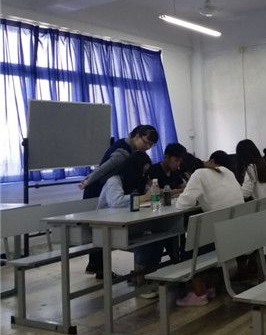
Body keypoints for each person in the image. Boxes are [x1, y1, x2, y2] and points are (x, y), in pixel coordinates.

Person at [81, 124, 158, 277]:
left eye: (151, 145)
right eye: (146, 142)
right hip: (98, 188)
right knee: (100, 227)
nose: (147, 147)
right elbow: (102, 169)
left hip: (111, 188)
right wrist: (87, 182)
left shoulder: (133, 152)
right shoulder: (122, 152)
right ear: (137, 136)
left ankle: (96, 265)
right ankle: (98, 266)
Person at [174, 150, 245, 306]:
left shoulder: (198, 175)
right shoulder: (226, 171)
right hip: (238, 234)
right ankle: (210, 287)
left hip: (220, 239)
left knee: (189, 248)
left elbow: (182, 204)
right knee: (203, 239)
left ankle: (199, 293)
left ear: (187, 173)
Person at [97, 151, 164, 299]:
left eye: (146, 171)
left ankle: (150, 277)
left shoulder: (137, 181)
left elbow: (145, 196)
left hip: (130, 224)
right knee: (145, 243)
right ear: (133, 168)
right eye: (142, 171)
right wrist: (144, 197)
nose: (143, 174)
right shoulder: (114, 181)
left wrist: (150, 190)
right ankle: (141, 283)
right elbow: (116, 202)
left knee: (158, 239)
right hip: (110, 228)